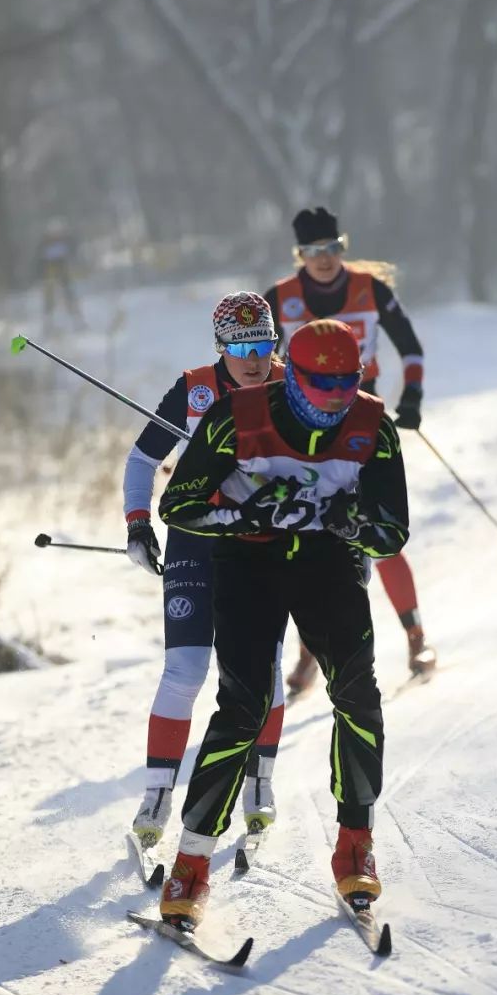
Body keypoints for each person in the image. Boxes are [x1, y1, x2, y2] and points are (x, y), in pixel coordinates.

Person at [152, 317, 410, 925]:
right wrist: (244, 515)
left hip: (328, 566)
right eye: (321, 384)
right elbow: (179, 505)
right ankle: (192, 863)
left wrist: (348, 522)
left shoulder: (373, 426)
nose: (333, 398)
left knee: (357, 695)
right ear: (290, 374)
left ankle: (356, 845)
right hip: (250, 563)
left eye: (346, 382)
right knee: (243, 707)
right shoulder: (236, 415)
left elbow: (392, 531)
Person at [124, 291, 286, 853]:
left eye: (262, 344)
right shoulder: (194, 389)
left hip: (262, 542)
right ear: (221, 348)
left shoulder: (291, 388)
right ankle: (157, 796)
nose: (253, 358)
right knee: (186, 671)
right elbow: (143, 459)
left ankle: (259, 786)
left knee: (262, 670)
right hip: (194, 536)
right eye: (240, 346)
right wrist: (139, 524)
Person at [264, 206, 435, 691]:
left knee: (378, 530)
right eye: (313, 252)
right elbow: (259, 368)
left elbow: (411, 347)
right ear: (300, 254)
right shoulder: (280, 299)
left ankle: (415, 636)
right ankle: (309, 654)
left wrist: (414, 397)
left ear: (343, 245)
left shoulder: (369, 288)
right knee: (308, 539)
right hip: (302, 435)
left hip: (365, 424)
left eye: (332, 248)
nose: (324, 259)